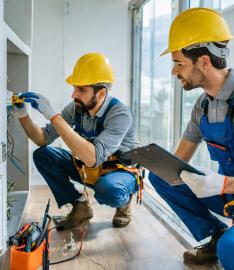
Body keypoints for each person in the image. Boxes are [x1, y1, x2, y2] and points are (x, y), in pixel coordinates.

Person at [149, 7, 234, 270]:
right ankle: (218, 235)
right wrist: (150, 160)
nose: (174, 72)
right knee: (160, 176)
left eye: (178, 63)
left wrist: (223, 183)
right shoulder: (203, 105)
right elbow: (177, 163)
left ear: (204, 61)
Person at [12, 52, 139, 230]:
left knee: (109, 191)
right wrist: (23, 115)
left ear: (101, 93)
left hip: (118, 171)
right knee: (43, 155)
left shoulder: (120, 114)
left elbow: (93, 157)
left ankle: (124, 202)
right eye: (74, 88)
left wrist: (54, 115)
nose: (73, 95)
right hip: (89, 168)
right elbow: (42, 139)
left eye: (81, 90)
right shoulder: (77, 108)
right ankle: (80, 206)